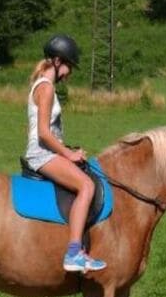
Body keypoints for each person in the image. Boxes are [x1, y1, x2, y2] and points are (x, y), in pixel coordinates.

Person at [25, 34, 106, 273]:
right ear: (58, 61)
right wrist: (68, 155)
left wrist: (67, 150)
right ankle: (73, 253)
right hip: (41, 154)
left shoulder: (41, 85)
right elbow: (43, 133)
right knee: (86, 186)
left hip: (48, 151)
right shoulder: (46, 88)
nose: (69, 72)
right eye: (69, 65)